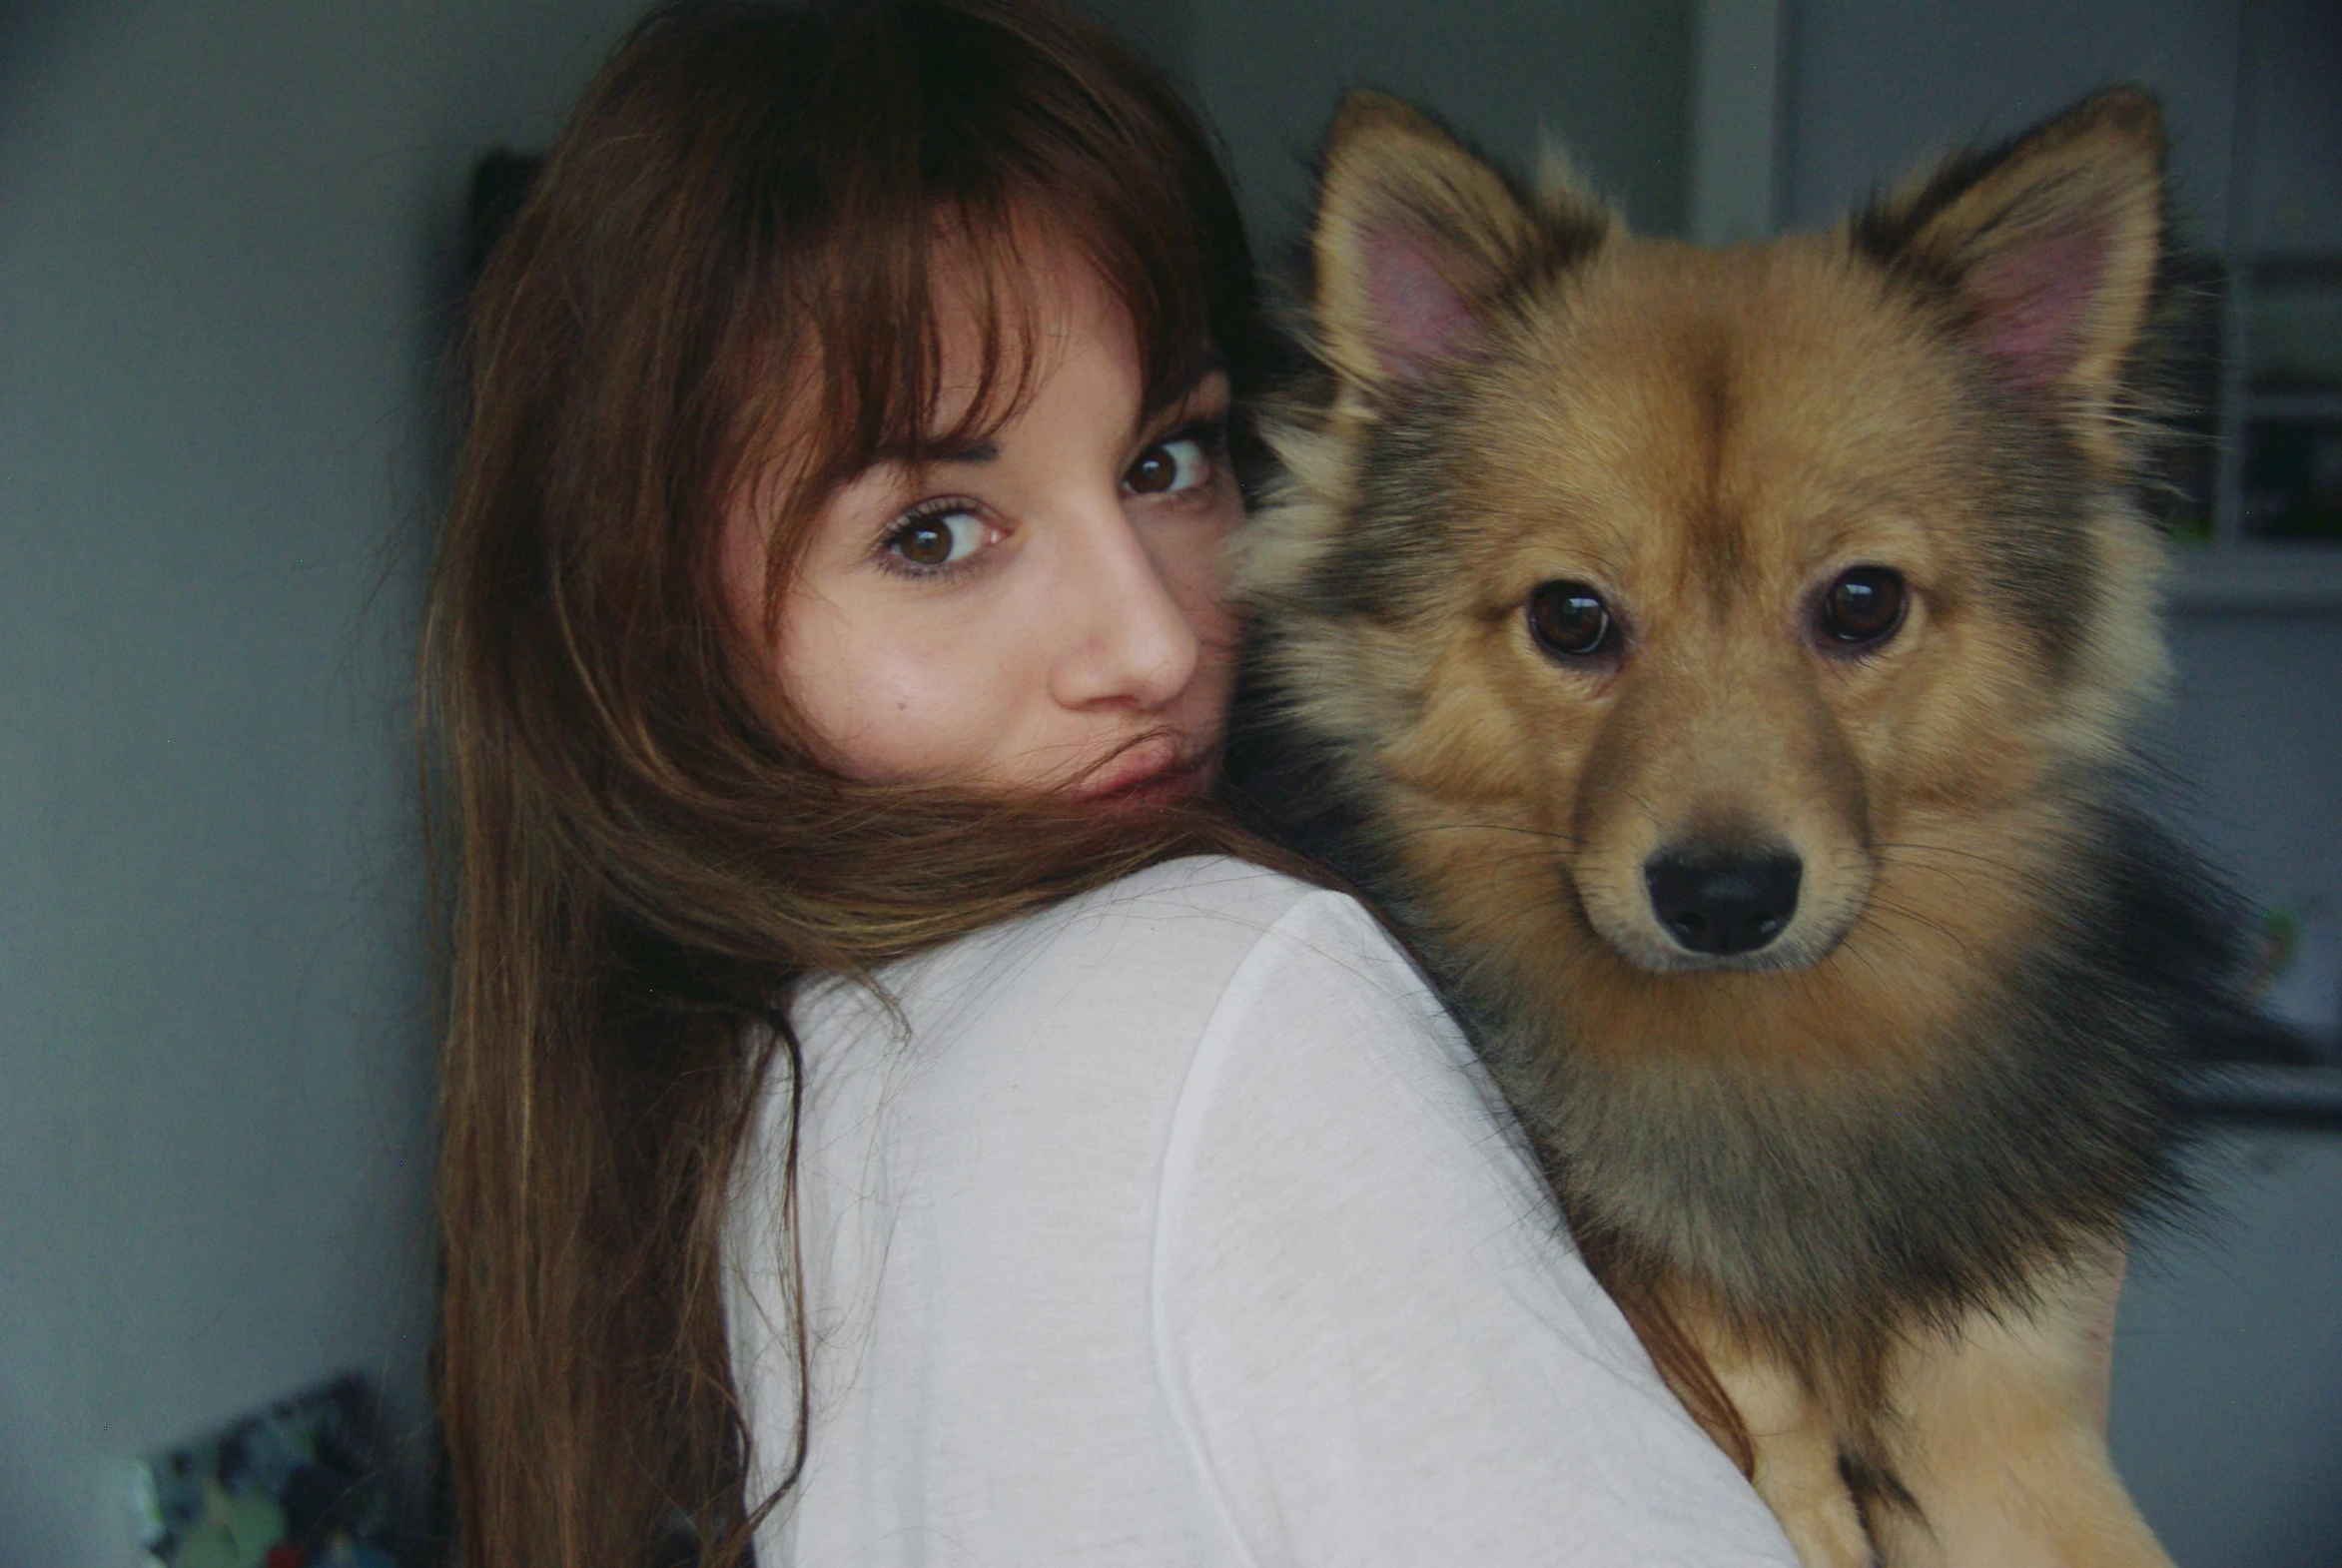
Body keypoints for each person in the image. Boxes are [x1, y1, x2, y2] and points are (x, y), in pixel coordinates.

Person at [424, 2, 1802, 1564]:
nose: (1151, 640)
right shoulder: (1209, 988)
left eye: (1167, 460)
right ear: (649, 618)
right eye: (935, 532)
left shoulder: (776, 1071)